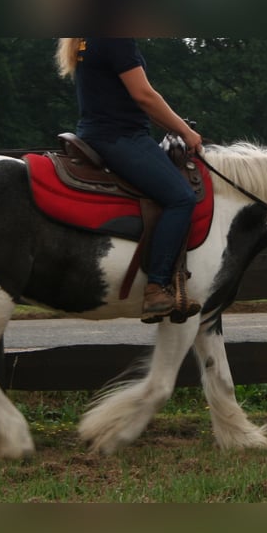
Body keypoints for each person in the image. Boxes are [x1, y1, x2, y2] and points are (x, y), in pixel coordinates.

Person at [55, 38, 203, 323]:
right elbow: (144, 96)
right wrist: (186, 132)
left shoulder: (86, 36)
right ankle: (156, 288)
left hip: (97, 131)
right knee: (181, 198)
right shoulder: (117, 39)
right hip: (120, 137)